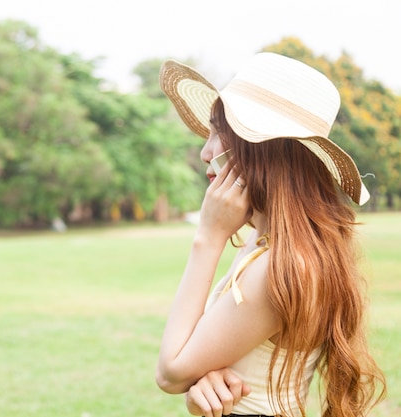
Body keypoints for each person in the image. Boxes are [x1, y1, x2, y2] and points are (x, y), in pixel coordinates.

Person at [155, 52, 386, 417]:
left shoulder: (280, 264)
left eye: (219, 132)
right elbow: (198, 366)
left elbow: (170, 372)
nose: (205, 151)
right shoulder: (272, 245)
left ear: (261, 149)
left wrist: (209, 237)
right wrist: (202, 384)